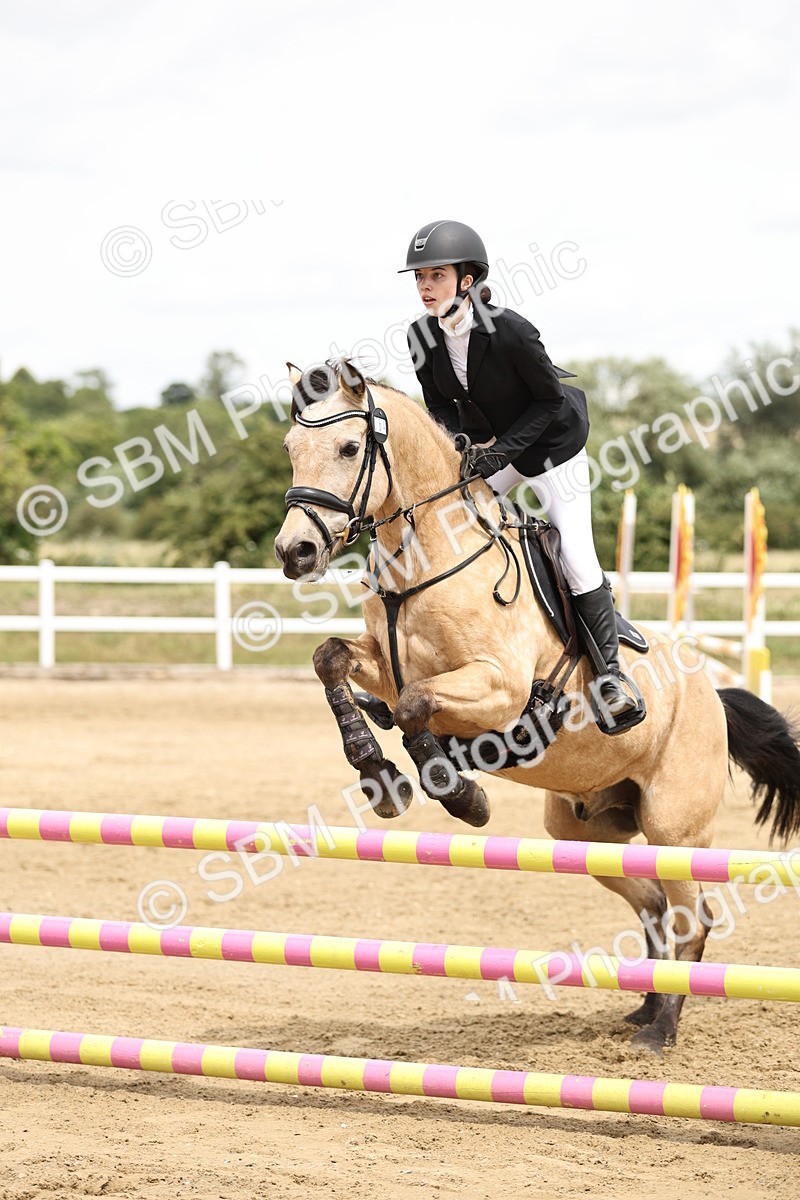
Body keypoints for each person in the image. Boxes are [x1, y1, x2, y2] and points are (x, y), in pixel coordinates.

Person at [399, 219, 640, 720]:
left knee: (574, 550)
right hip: (494, 448)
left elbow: (549, 399)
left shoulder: (509, 330)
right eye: (420, 277)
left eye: (437, 275)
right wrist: (463, 446)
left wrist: (501, 452)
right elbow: (440, 406)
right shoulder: (421, 335)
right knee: (453, 526)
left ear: (467, 280)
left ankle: (612, 677)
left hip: (553, 447)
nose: (425, 286)